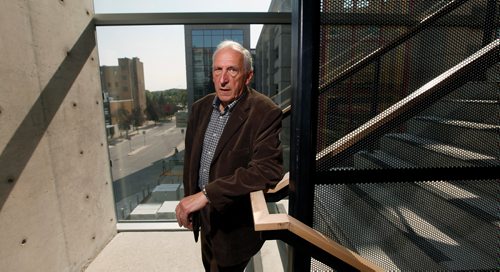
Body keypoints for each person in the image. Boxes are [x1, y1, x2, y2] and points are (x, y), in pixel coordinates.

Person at [175, 40, 284, 271]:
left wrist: (206, 194)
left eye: (232, 70)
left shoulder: (265, 112)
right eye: (218, 70)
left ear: (248, 76)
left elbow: (267, 170)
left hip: (234, 230)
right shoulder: (199, 108)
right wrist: (190, 201)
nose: (223, 79)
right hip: (205, 221)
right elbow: (191, 163)